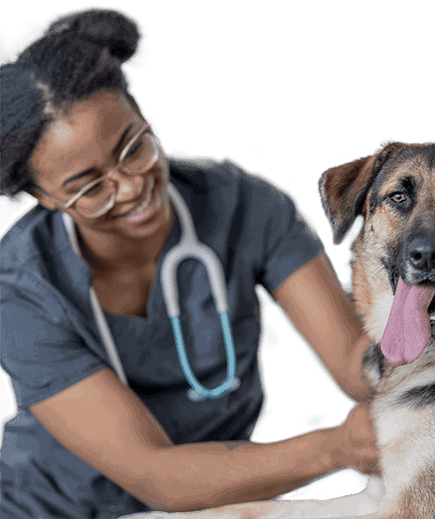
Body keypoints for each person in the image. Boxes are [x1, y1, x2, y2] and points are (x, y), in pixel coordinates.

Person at [0, 8, 379, 518]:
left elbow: (359, 367)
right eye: (89, 186)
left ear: (138, 109)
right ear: (41, 196)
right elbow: (160, 478)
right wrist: (339, 446)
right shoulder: (21, 293)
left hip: (210, 507)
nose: (132, 186)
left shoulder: (241, 204)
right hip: (54, 509)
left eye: (133, 146)